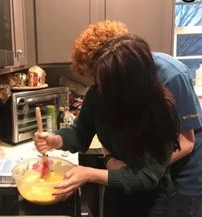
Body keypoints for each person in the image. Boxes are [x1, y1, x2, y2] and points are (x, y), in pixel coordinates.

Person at [34, 33, 180, 217]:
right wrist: (55, 140)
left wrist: (90, 174)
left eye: (108, 81)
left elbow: (146, 177)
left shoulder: (160, 110)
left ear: (132, 83)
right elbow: (80, 133)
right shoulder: (99, 93)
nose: (100, 86)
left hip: (153, 203)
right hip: (116, 192)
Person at [69, 20, 202, 217]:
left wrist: (137, 171)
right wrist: (111, 160)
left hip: (183, 179)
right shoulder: (117, 87)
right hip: (136, 175)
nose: (99, 82)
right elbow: (109, 129)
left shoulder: (170, 78)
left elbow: (186, 142)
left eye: (101, 72)